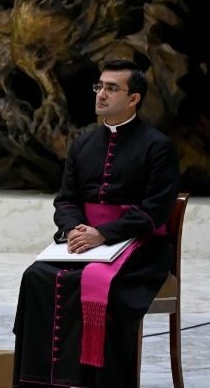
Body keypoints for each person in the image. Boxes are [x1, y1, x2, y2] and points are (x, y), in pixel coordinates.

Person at [12, 59, 181, 387]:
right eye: (99, 86)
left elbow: (155, 210)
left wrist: (103, 234)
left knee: (100, 285)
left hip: (141, 247)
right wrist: (74, 229)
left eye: (112, 88)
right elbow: (65, 200)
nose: (101, 94)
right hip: (85, 241)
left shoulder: (158, 146)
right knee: (35, 277)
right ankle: (39, 381)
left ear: (134, 98)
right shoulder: (82, 144)